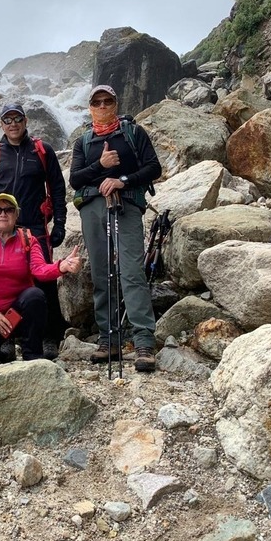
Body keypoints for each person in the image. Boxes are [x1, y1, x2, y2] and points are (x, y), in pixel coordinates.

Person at [69, 85, 161, 372]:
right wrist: (101, 165)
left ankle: (143, 341)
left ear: (116, 104)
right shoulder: (84, 141)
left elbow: (154, 168)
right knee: (101, 272)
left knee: (131, 271)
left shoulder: (133, 133)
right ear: (90, 107)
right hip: (93, 208)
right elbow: (75, 180)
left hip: (127, 203)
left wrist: (122, 180)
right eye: (97, 102)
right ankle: (109, 339)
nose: (102, 106)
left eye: (107, 101)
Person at [0, 102, 68, 360]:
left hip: (35, 225)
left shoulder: (41, 150)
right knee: (3, 281)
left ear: (26, 121)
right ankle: (9, 335)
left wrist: (60, 222)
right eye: (7, 120)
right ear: (1, 125)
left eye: (17, 118)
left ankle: (49, 335)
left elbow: (57, 188)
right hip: (2, 225)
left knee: (44, 281)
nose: (13, 124)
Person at [0, 194, 82, 367]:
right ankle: (0, 348)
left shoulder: (27, 239)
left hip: (17, 314)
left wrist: (61, 266)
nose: (3, 214)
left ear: (16, 214)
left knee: (35, 296)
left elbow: (39, 269)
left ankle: (32, 356)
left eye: (9, 210)